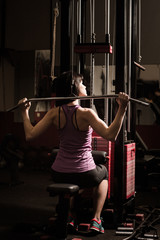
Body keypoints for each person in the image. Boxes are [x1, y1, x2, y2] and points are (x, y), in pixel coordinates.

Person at [18, 71, 129, 234]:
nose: (85, 86)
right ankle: (96, 219)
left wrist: (24, 112)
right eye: (82, 83)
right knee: (103, 173)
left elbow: (30, 135)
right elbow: (111, 135)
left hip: (59, 173)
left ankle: (69, 216)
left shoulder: (54, 113)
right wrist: (122, 109)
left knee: (74, 176)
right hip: (85, 173)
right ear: (74, 89)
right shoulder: (86, 114)